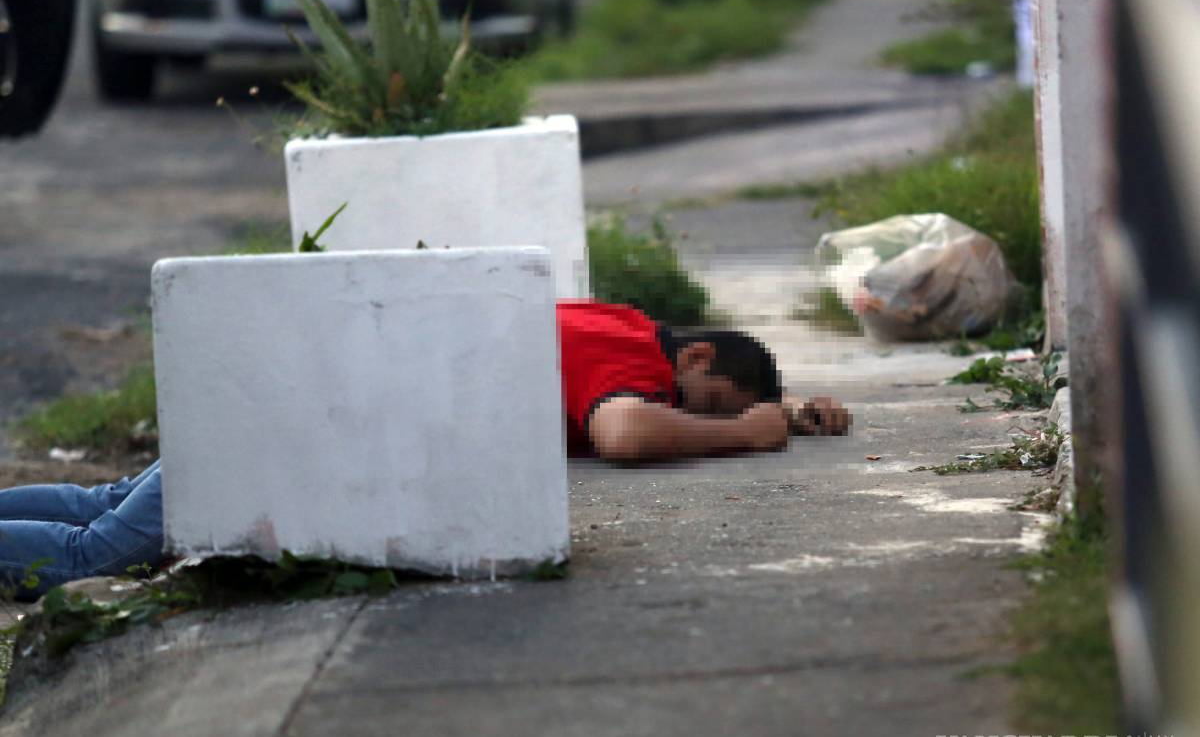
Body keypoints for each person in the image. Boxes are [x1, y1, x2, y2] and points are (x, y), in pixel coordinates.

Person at [0, 300, 849, 599]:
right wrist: (741, 435)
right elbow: (623, 435)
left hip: (301, 398)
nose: (686, 418)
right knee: (95, 553)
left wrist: (791, 414)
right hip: (310, 424)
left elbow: (652, 409)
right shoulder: (631, 363)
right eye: (700, 403)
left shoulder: (622, 329)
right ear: (692, 359)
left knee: (97, 505)